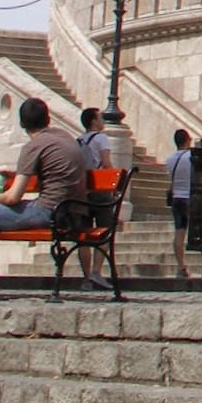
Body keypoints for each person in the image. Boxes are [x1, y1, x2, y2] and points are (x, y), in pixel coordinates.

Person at [0, 97, 89, 301]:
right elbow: (53, 170)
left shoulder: (33, 146)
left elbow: (14, 197)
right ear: (48, 119)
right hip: (74, 212)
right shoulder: (63, 136)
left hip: (50, 212)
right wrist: (16, 175)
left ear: (22, 124)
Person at [164, 128, 202, 281]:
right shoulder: (191, 156)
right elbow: (201, 174)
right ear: (187, 140)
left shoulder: (169, 160)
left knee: (179, 232)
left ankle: (181, 267)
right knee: (201, 231)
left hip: (177, 198)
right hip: (191, 197)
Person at [76, 108, 113, 289]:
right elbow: (106, 163)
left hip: (83, 191)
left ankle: (85, 278)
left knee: (84, 235)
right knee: (105, 231)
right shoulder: (101, 138)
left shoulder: (78, 140)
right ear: (93, 121)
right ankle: (96, 272)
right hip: (99, 190)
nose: (103, 120)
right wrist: (115, 183)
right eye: (100, 117)